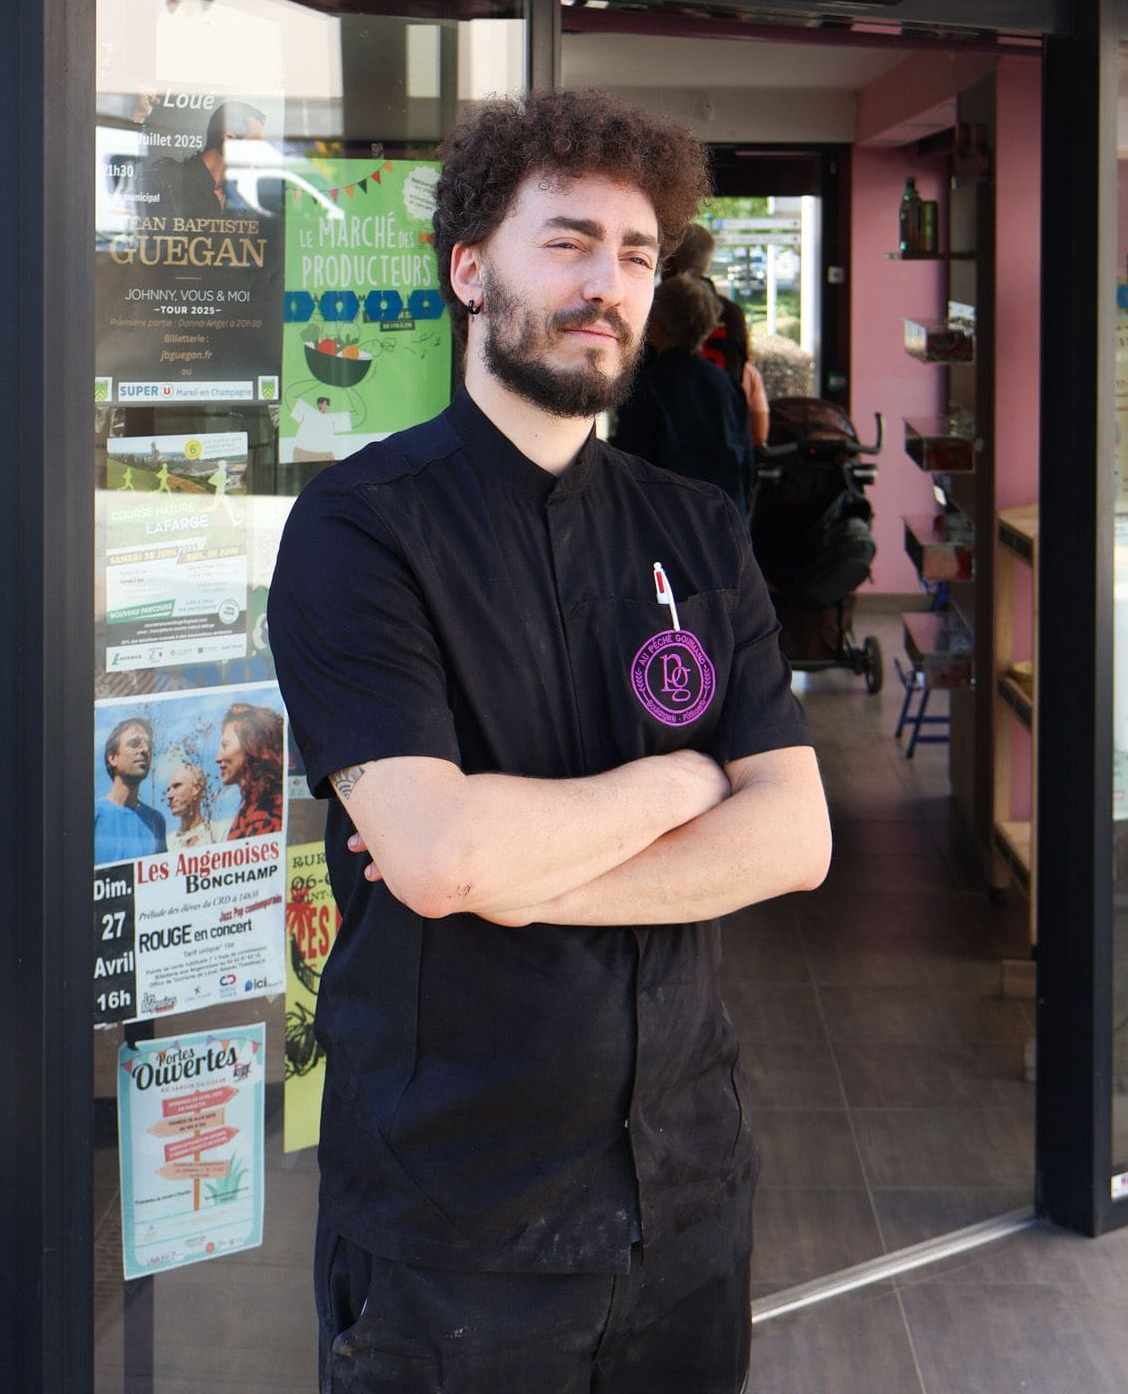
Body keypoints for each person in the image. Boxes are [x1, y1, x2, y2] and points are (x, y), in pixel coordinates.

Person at [268, 89, 830, 1394]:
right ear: (470, 268)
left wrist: (527, 878)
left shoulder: (695, 531)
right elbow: (440, 853)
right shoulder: (361, 530)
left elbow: (795, 837)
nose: (609, 284)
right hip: (450, 1229)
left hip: (688, 1202)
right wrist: (683, 780)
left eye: (635, 255)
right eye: (567, 242)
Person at [611, 274, 753, 510]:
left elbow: (631, 459)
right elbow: (744, 462)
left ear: (657, 322)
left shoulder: (647, 384)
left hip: (665, 517)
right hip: (721, 518)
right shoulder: (726, 384)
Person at [663, 222, 771, 447]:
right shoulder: (731, 313)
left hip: (668, 437)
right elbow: (741, 370)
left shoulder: (658, 307)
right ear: (706, 262)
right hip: (724, 434)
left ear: (669, 261)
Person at [94, 717, 167, 865]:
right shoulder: (94, 814)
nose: (145, 750)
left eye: (149, 746)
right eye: (134, 744)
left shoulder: (156, 821)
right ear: (113, 758)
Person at [215, 702, 283, 840]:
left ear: (252, 746)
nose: (218, 757)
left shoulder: (269, 810)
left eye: (225, 745)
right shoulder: (248, 807)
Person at [164, 760, 216, 850]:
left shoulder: (217, 833)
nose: (169, 795)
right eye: (168, 789)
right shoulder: (167, 844)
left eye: (177, 786)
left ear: (196, 789)